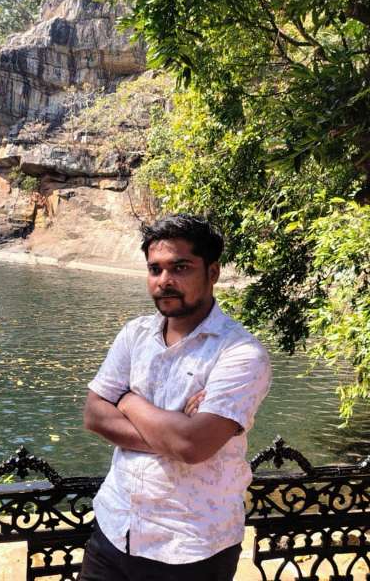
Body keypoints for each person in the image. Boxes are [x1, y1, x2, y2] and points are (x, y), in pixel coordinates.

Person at [79, 214, 272, 581]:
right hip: (115, 528)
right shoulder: (135, 335)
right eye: (155, 269)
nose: (164, 280)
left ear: (212, 272)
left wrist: (127, 401)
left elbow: (192, 445)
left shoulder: (241, 354)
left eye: (180, 268)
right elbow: (94, 415)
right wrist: (176, 433)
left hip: (192, 545)